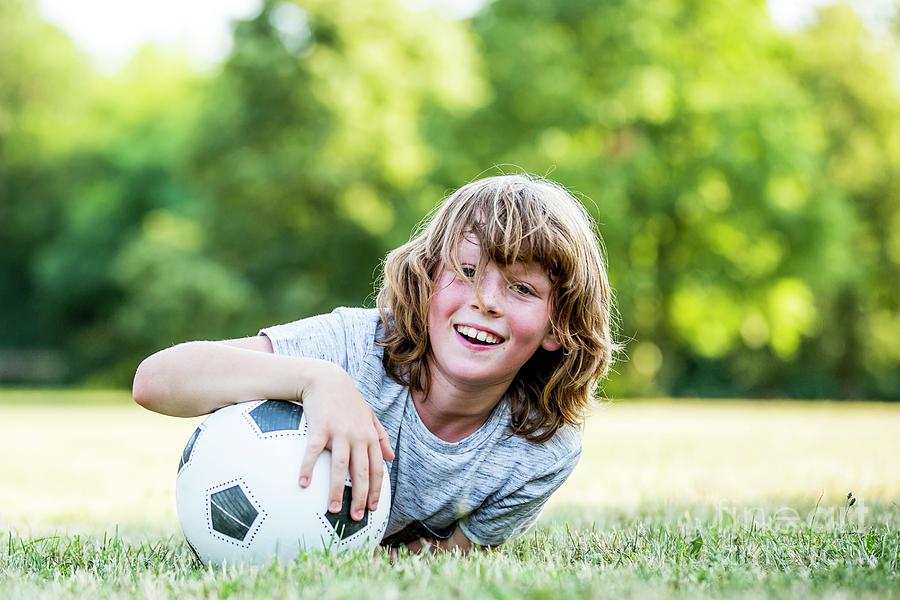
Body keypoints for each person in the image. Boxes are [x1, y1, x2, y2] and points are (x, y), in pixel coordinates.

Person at [133, 173, 618, 556]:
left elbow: (453, 553)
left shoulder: (542, 447)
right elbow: (155, 381)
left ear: (559, 325)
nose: (485, 301)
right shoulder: (357, 345)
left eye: (522, 288)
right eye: (466, 272)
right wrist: (316, 380)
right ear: (427, 279)